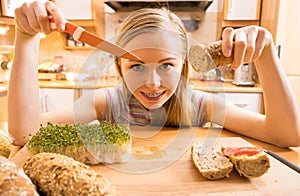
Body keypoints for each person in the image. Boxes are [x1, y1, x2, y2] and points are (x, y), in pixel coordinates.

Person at [8, 1, 300, 147]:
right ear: (120, 68)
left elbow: (286, 134)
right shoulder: (106, 102)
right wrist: (26, 38)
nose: (153, 82)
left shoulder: (201, 104)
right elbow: (24, 133)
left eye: (166, 65)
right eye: (136, 65)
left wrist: (266, 54)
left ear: (183, 67)